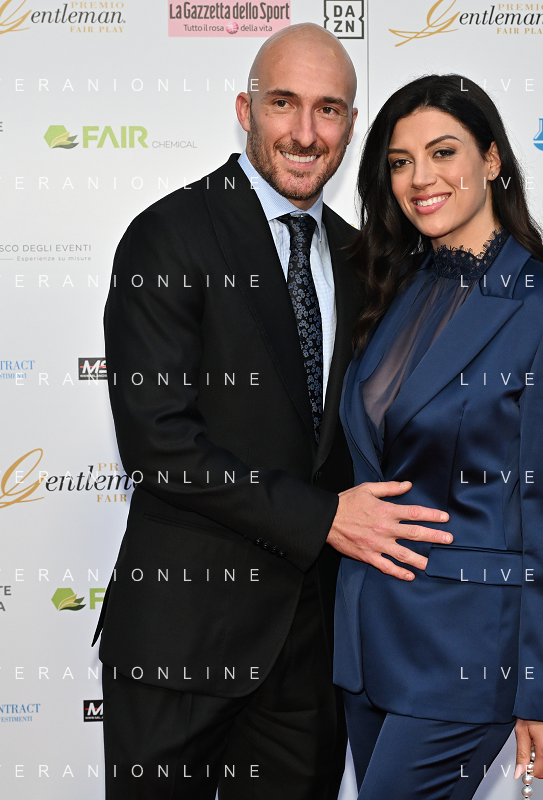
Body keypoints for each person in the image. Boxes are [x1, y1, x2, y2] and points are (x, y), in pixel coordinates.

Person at [96, 24, 452, 800]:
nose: (305, 132)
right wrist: (324, 517)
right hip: (181, 640)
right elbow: (158, 442)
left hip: (310, 656)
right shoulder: (168, 236)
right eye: (283, 103)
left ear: (350, 127)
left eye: (328, 110)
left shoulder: (365, 260)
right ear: (245, 111)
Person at [334, 74, 543, 800]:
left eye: (443, 152)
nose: (420, 178)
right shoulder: (390, 288)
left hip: (465, 652)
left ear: (490, 159)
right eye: (400, 162)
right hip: (367, 640)